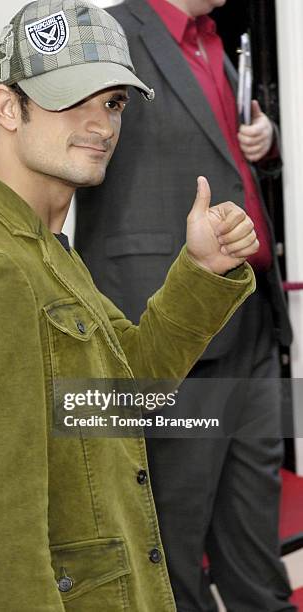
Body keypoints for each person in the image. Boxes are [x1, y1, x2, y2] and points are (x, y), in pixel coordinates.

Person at [0, 0, 259, 610]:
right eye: (73, 98)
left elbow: (128, 389)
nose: (102, 124)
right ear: (7, 107)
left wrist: (200, 271)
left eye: (114, 102)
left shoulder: (38, 246)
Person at [75, 0, 295, 610]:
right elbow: (65, 147)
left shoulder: (216, 42)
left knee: (254, 531)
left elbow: (225, 159)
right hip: (166, 322)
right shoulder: (110, 32)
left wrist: (267, 139)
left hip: (248, 315)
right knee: (169, 540)